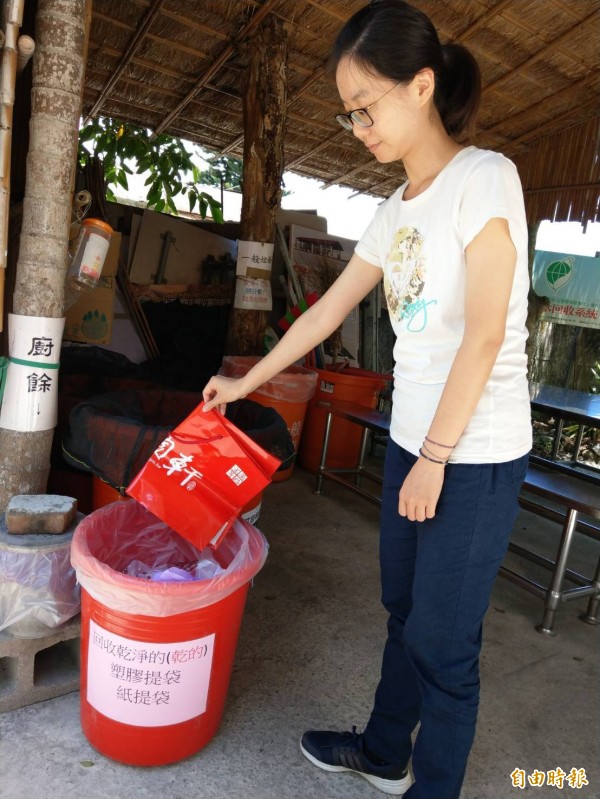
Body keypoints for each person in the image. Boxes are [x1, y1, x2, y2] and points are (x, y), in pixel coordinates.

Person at [203, 1, 532, 796]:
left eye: (366, 107)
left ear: (421, 85)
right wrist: (245, 379)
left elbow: (485, 335)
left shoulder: (485, 178)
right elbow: (324, 312)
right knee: (404, 615)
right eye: (349, 115)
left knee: (446, 647)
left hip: (475, 455)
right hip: (416, 444)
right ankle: (387, 752)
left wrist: (438, 460)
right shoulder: (394, 211)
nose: (358, 128)